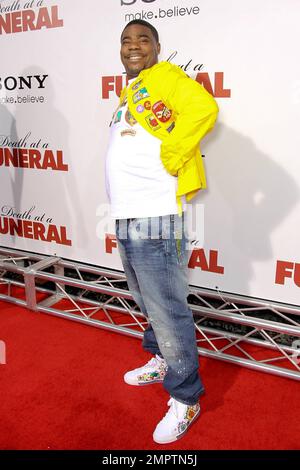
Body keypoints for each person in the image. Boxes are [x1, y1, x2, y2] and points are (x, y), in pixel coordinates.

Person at [105, 19, 218, 444]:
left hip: (154, 212)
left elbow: (205, 109)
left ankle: (186, 398)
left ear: (157, 46)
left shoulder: (167, 77)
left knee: (168, 311)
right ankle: (160, 359)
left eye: (143, 39)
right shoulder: (132, 88)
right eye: (126, 40)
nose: (133, 46)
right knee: (145, 299)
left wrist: (173, 153)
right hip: (127, 213)